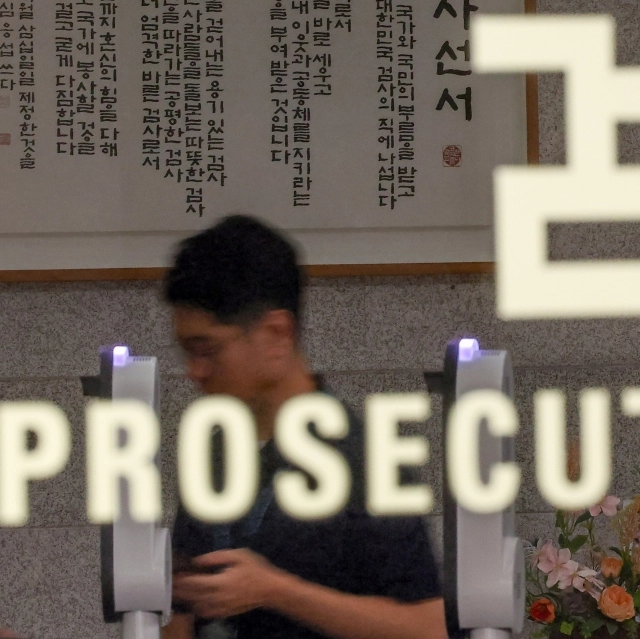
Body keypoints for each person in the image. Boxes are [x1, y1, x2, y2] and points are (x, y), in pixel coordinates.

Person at [162, 215, 447, 639]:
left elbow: (428, 627)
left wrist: (275, 591)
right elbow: (181, 618)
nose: (195, 371)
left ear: (277, 333)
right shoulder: (215, 451)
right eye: (186, 351)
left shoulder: (365, 459)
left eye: (207, 349)